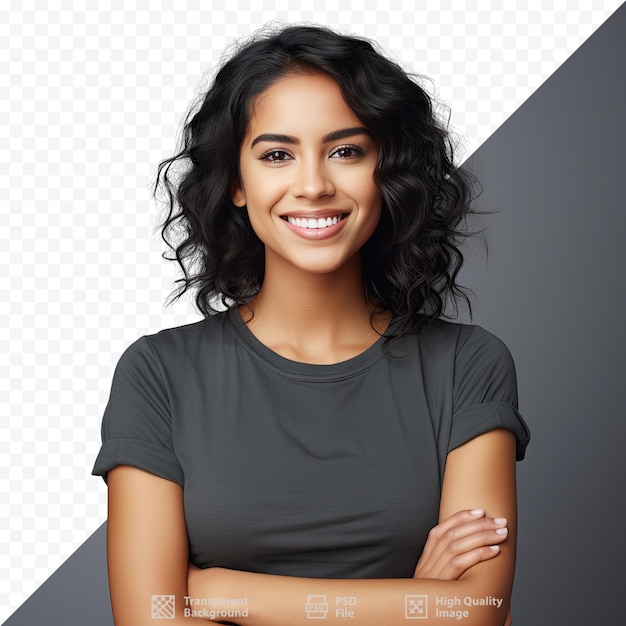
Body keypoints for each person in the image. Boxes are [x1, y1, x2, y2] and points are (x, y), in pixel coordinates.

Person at [92, 25, 530, 626]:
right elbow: (150, 621)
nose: (314, 185)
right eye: (276, 154)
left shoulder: (468, 365)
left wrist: (224, 592)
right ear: (237, 184)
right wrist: (418, 603)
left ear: (387, 170)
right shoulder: (157, 375)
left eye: (347, 150)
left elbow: (476, 612)